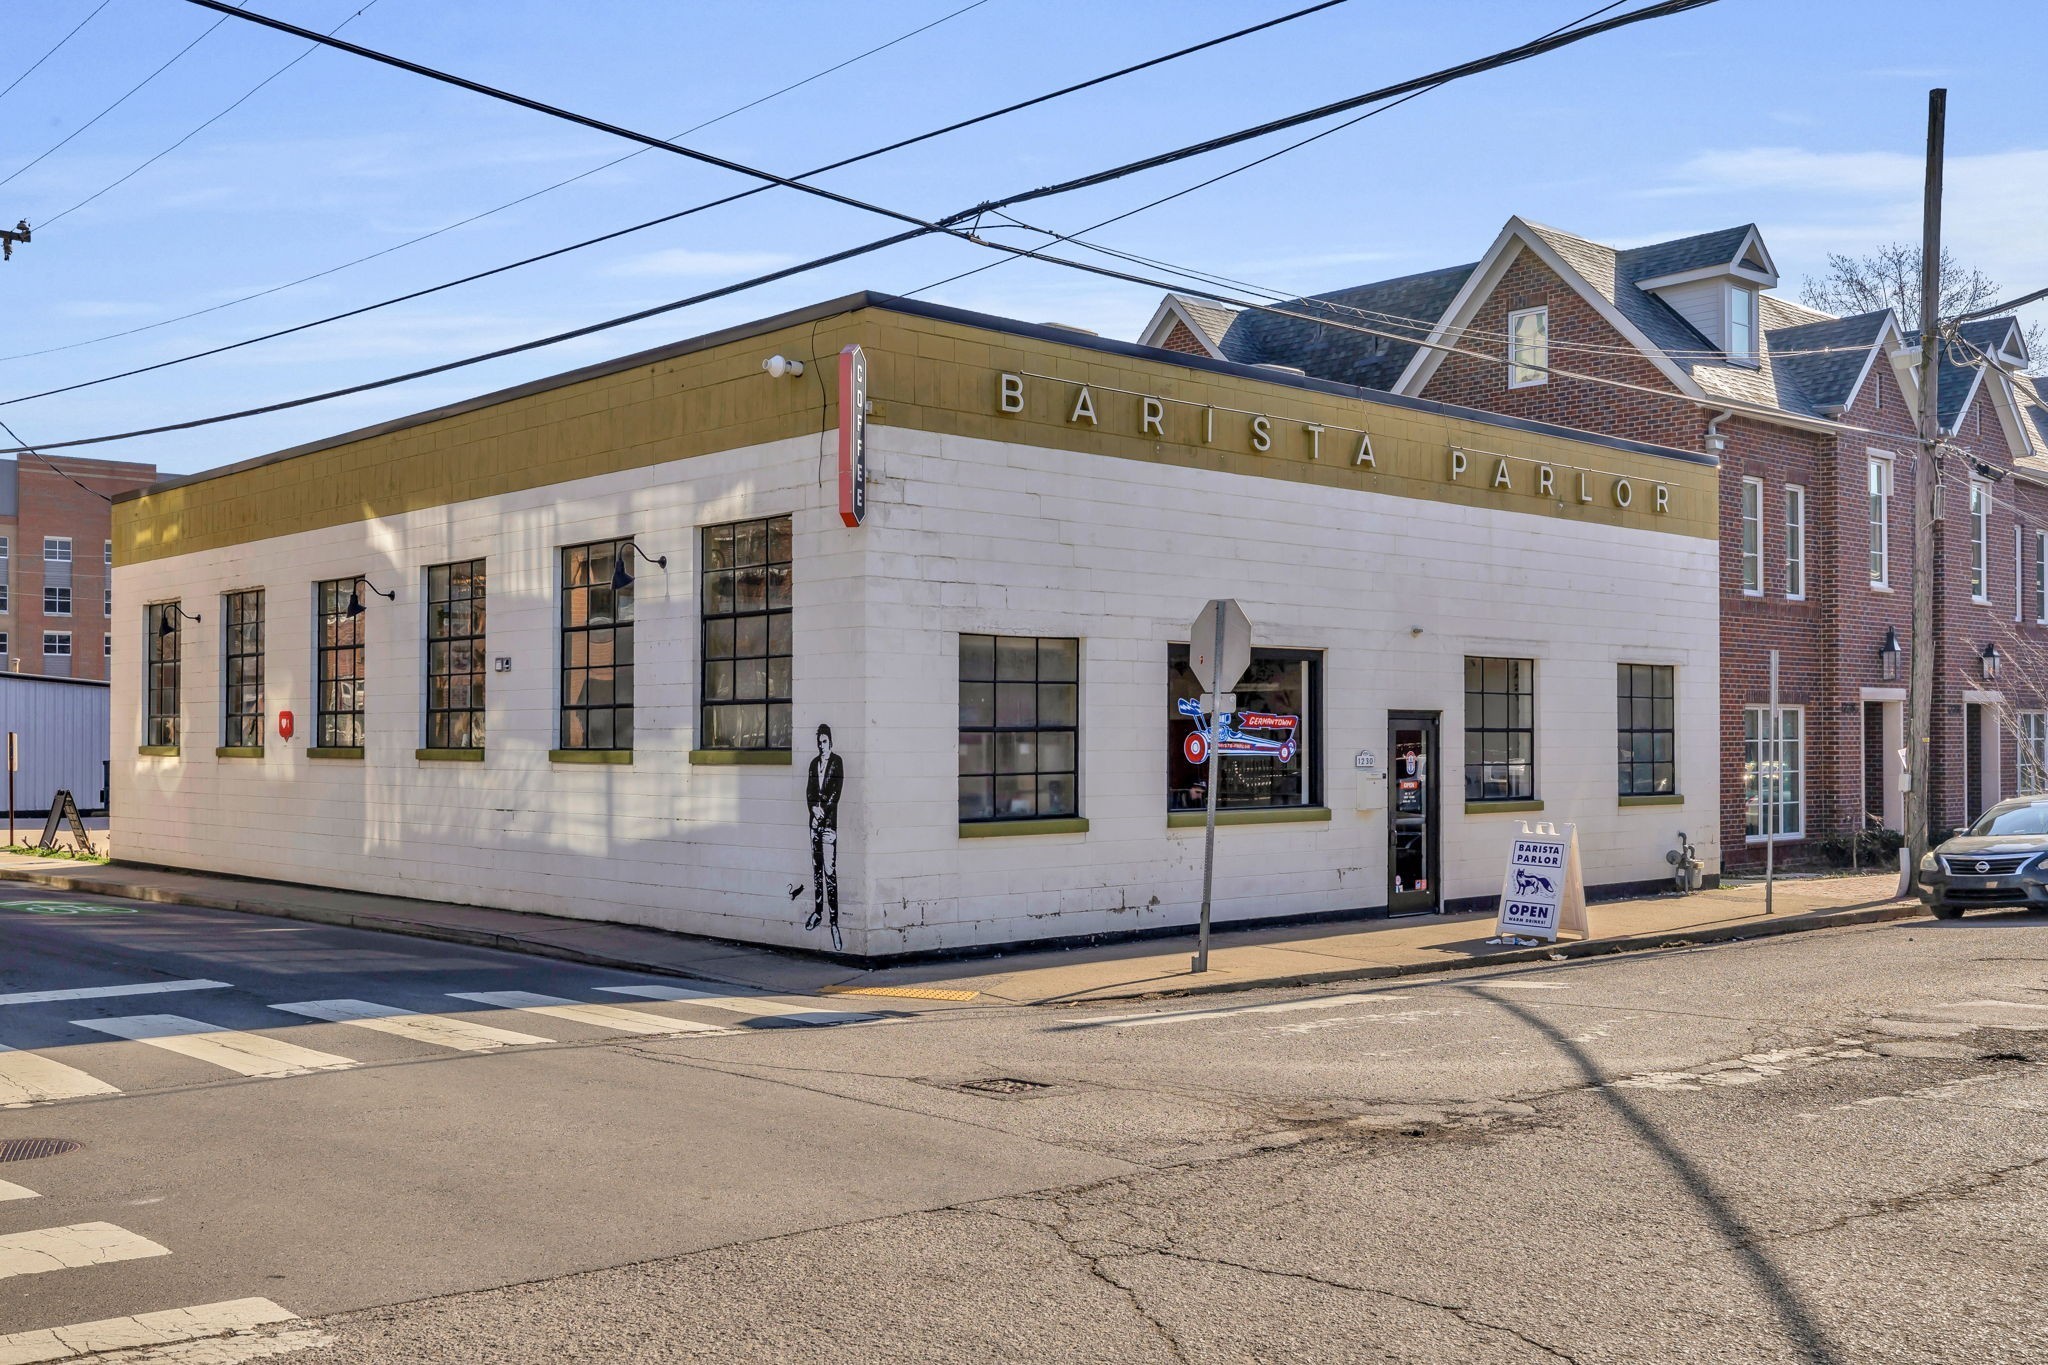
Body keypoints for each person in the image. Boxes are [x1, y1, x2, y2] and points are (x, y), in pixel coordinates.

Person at [805, 723, 844, 950]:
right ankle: (818, 913)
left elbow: (836, 793)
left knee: (830, 873)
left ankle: (834, 922)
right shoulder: (813, 764)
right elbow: (809, 792)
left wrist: (823, 812)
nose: (822, 746)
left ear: (831, 742)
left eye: (825, 742)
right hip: (814, 824)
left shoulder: (837, 762)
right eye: (819, 743)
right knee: (816, 870)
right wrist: (813, 810)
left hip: (828, 826)